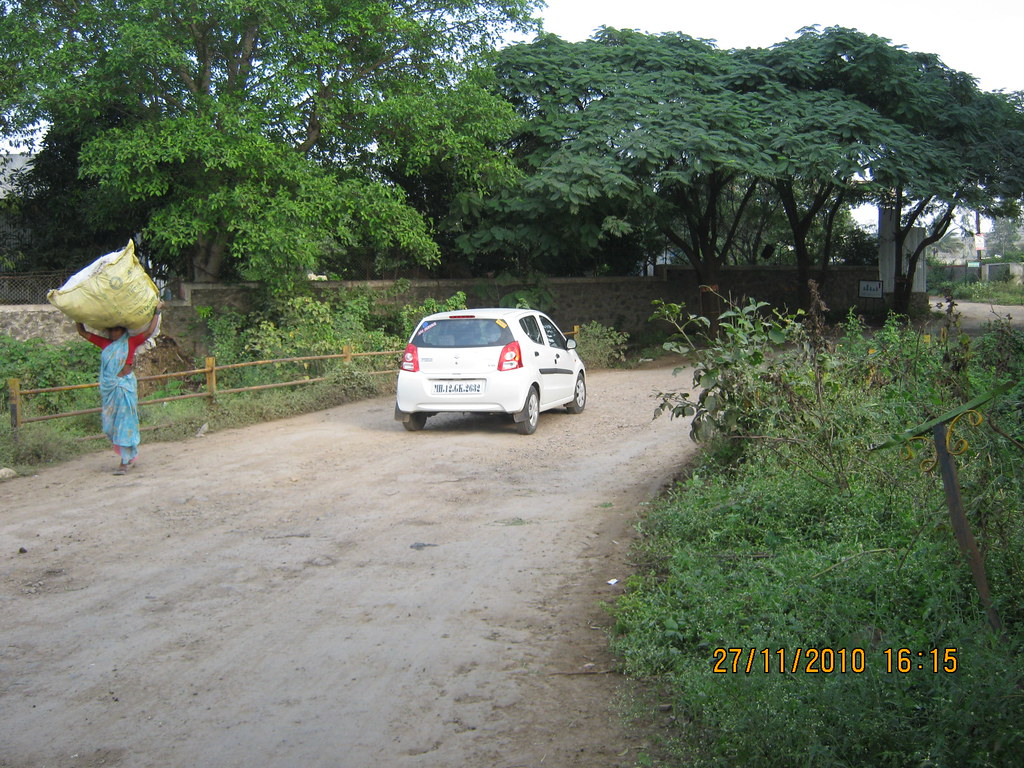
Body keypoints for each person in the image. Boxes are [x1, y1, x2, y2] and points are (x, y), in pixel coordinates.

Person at [76, 303, 163, 475]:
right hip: (110, 389)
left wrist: (157, 312)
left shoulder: (130, 342)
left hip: (125, 387)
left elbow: (148, 332)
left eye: (116, 331)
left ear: (123, 331)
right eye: (111, 331)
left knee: (125, 423)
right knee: (109, 426)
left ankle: (123, 462)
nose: (113, 334)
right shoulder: (105, 344)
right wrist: (77, 316)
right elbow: (83, 333)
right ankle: (128, 454)